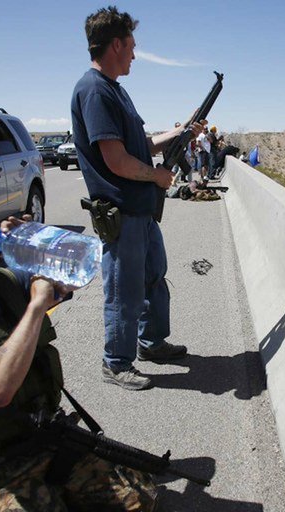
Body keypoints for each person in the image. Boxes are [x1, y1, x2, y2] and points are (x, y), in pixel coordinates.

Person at [0, 195, 158, 510]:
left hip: (49, 437)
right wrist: (37, 306)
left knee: (139, 500)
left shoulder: (3, 283)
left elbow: (73, 277)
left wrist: (40, 239)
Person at [71, 6, 203, 391]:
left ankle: (151, 342)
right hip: (122, 211)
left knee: (151, 279)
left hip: (141, 211)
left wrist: (178, 133)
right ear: (116, 44)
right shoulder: (94, 90)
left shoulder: (115, 90)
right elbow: (115, 159)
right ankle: (116, 362)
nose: (134, 53)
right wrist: (157, 176)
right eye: (131, 45)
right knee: (123, 291)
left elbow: (140, 145)